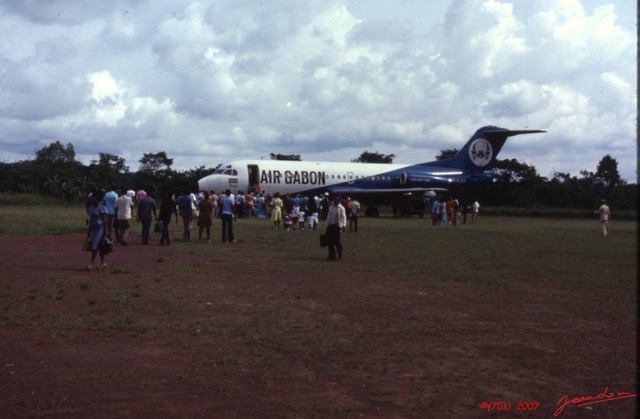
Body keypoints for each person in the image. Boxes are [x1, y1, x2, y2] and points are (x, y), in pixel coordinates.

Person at [86, 189, 109, 271]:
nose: (92, 199)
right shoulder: (91, 208)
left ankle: (91, 263)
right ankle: (103, 263)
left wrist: (106, 231)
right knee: (100, 246)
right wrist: (89, 232)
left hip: (100, 228)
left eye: (93, 198)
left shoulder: (101, 207)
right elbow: (91, 221)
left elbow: (105, 220)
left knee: (95, 245)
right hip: (94, 228)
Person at [325, 196, 346, 261]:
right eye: (334, 200)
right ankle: (331, 256)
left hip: (337, 226)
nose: (335, 201)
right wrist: (328, 224)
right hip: (330, 225)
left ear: (339, 201)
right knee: (330, 242)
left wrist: (343, 225)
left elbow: (343, 217)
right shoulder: (331, 207)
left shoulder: (341, 208)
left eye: (336, 200)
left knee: (337, 241)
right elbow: (329, 215)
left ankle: (340, 254)